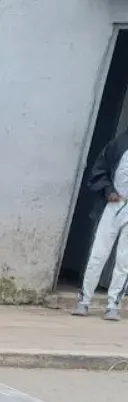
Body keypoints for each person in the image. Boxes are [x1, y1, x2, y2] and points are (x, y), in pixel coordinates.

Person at [74, 126, 128, 321]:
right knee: (98, 254)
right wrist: (108, 191)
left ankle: (114, 305)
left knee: (125, 260)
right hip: (113, 206)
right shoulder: (118, 144)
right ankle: (84, 300)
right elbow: (100, 170)